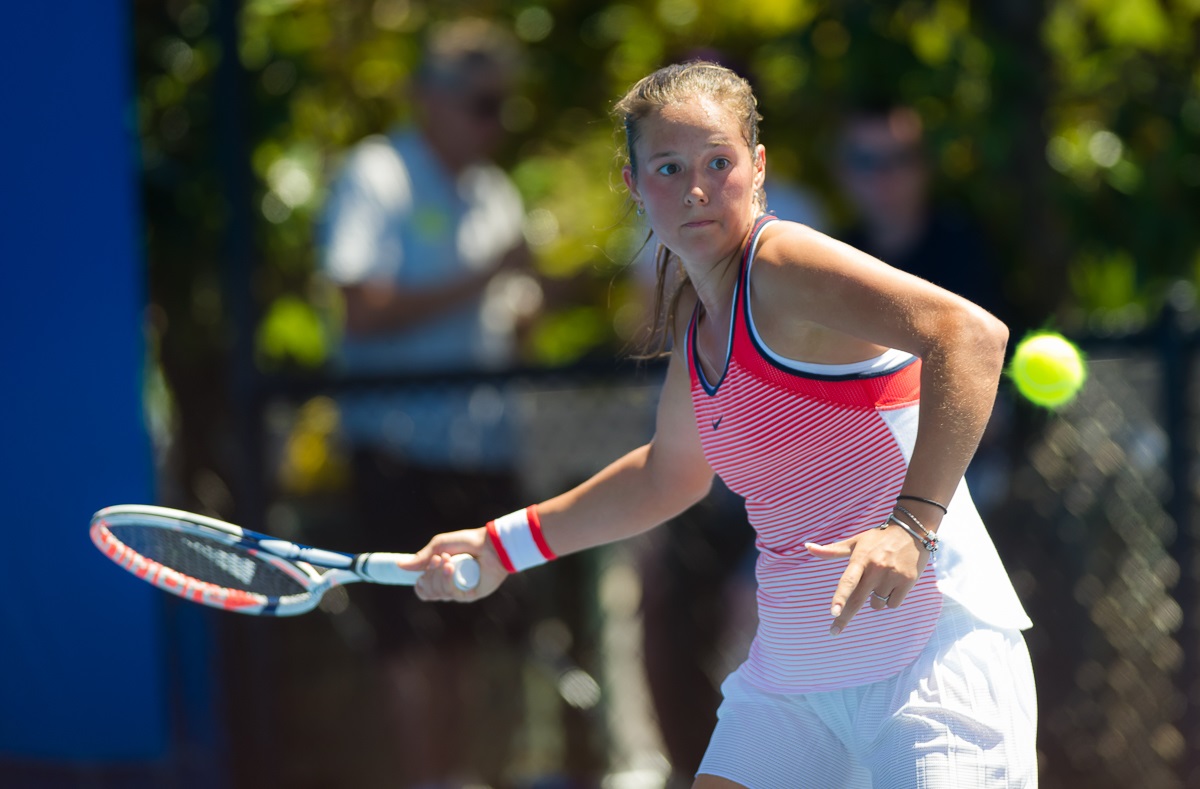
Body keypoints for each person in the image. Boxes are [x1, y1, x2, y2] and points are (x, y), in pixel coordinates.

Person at [404, 61, 1036, 788]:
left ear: (757, 167)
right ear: (633, 185)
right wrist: (496, 546)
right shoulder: (700, 332)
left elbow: (970, 335)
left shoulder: (783, 262)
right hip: (793, 680)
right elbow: (665, 475)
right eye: (668, 168)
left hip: (931, 659)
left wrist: (911, 523)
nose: (696, 188)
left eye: (718, 162)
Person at [318, 18, 537, 789]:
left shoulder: (495, 190)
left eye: (500, 102)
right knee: (410, 644)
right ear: (428, 98)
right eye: (480, 101)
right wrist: (484, 275)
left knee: (480, 639)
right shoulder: (376, 176)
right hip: (396, 452)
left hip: (484, 451)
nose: (494, 119)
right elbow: (362, 310)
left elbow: (514, 315)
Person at [833, 100, 1015, 512]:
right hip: (858, 462)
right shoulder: (834, 255)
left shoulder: (966, 248)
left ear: (925, 166)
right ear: (842, 172)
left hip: (962, 461)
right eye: (865, 161)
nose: (884, 177)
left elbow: (984, 392)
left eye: (900, 159)